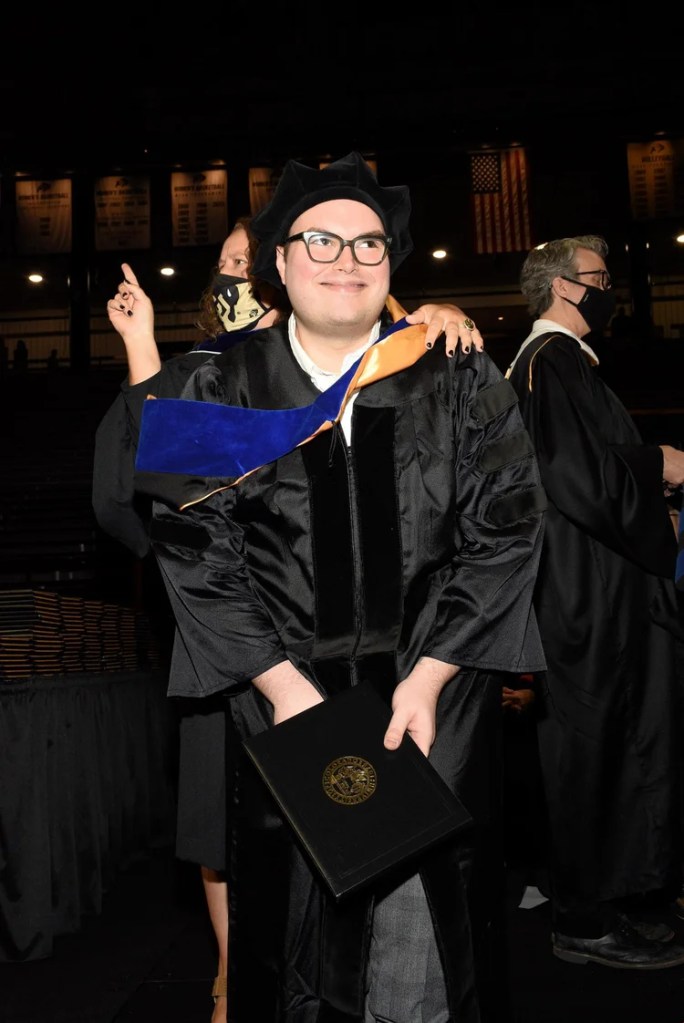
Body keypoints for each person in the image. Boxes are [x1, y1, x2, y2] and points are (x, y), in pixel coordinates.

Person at [133, 150, 547, 1023]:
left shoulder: (458, 376)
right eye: (319, 239)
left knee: (427, 937)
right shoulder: (217, 385)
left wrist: (432, 676)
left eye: (368, 244)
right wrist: (284, 692)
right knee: (293, 935)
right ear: (278, 261)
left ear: (390, 264)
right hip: (283, 702)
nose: (345, 260)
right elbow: (189, 546)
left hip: (433, 699)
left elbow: (507, 529)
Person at [506, 234, 684, 969]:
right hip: (584, 599)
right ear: (561, 287)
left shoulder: (562, 365)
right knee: (588, 754)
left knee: (611, 749)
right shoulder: (549, 362)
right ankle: (583, 913)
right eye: (598, 278)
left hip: (594, 592)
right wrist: (658, 467)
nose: (609, 288)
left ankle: (613, 896)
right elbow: (577, 478)